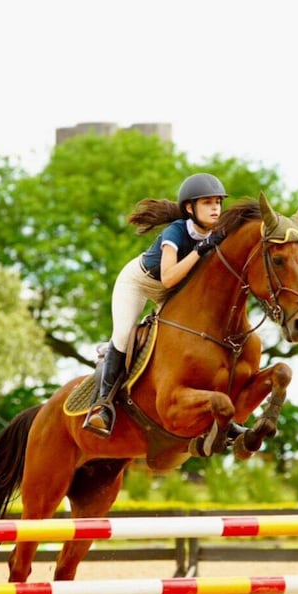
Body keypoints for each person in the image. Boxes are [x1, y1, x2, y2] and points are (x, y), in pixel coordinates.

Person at [84, 172, 228, 437]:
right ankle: (102, 406)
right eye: (208, 202)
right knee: (125, 334)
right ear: (190, 208)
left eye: (218, 202)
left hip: (172, 291)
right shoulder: (176, 231)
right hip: (140, 282)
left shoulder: (217, 234)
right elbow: (169, 277)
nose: (215, 208)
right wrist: (199, 250)